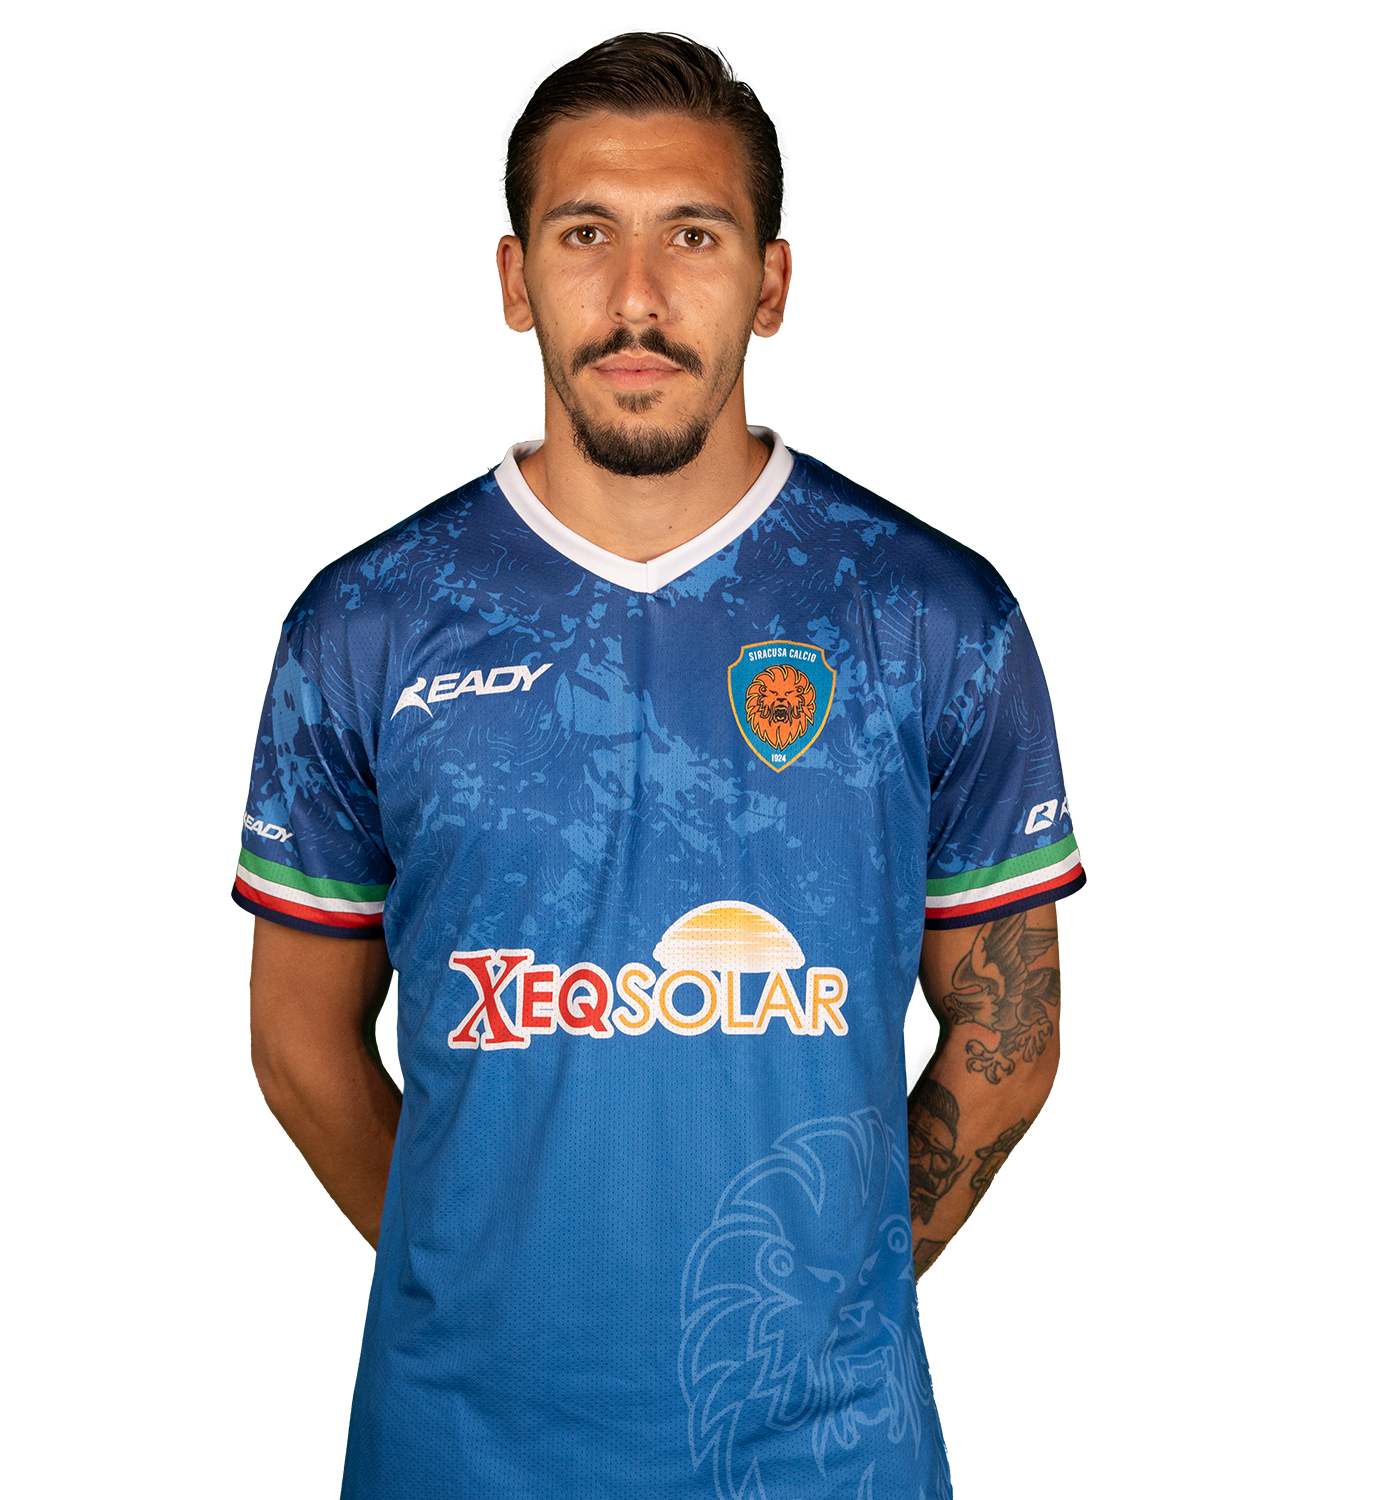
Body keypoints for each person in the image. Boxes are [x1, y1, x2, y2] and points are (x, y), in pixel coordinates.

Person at [234, 33, 1084, 1500]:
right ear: (514, 279)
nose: (637, 296)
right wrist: (469, 1274)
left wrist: (838, 1274)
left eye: (692, 235)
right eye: (587, 234)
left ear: (771, 282)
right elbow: (291, 1032)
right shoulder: (368, 623)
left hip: (823, 1463)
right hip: (455, 1457)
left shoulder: (930, 615)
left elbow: (1015, 1030)